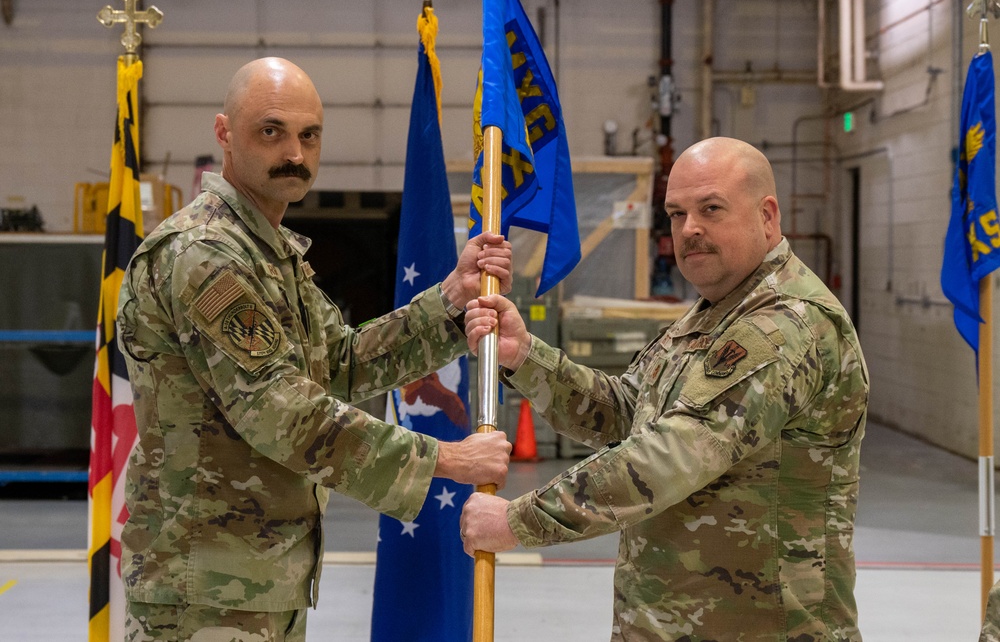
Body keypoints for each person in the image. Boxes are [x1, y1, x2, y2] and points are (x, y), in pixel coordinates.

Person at [116, 56, 513, 641]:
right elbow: (283, 412)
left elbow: (345, 365)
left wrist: (452, 297)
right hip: (203, 591)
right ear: (224, 133)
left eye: (309, 135)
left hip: (256, 578)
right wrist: (445, 460)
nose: (294, 154)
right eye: (271, 132)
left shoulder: (271, 255)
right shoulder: (206, 255)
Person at [461, 136, 869, 640]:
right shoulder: (714, 314)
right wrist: (525, 357)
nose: (690, 229)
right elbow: (626, 412)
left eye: (711, 209)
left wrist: (522, 519)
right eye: (676, 214)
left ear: (768, 217)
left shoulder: (785, 325)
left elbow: (672, 453)